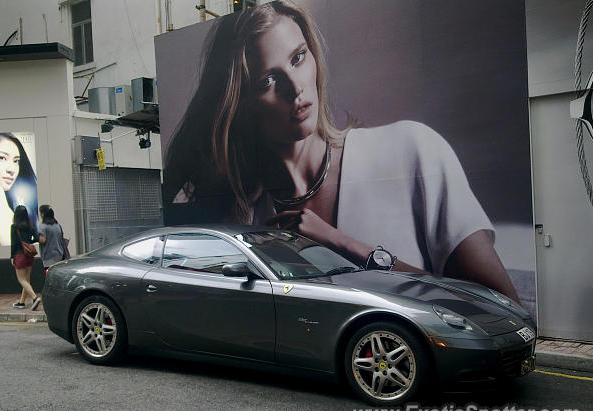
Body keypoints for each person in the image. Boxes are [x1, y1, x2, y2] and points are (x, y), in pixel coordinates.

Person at [163, 1, 521, 303]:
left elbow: (499, 304)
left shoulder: (410, 150)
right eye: (267, 81)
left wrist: (342, 243)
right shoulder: (250, 218)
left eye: (298, 58)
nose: (295, 87)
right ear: (240, 104)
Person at [10, 205, 41, 310]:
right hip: (29, 255)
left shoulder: (14, 227)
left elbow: (13, 243)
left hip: (19, 255)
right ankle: (22, 302)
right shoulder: (30, 225)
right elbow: (37, 238)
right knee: (27, 280)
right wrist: (28, 243)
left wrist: (11, 256)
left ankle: (35, 297)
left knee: (22, 280)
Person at [38, 205, 66, 272]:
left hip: (49, 258)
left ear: (43, 214)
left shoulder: (42, 226)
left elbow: (43, 240)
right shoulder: (58, 225)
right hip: (60, 256)